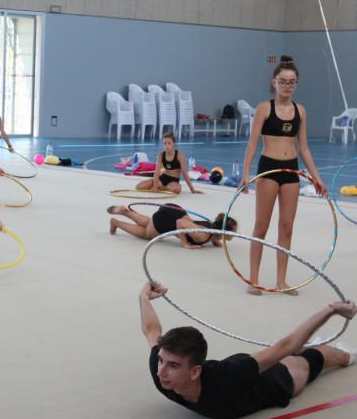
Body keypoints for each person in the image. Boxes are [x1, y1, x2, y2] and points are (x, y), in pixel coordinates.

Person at [139, 280, 357, 419]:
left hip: (276, 382)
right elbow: (151, 330)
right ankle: (308, 346)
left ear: (195, 371)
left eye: (173, 366)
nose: (161, 371)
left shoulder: (227, 377)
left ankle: (340, 354)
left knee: (310, 359)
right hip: (243, 372)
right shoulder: (161, 371)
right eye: (161, 361)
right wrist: (144, 297)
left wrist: (331, 310)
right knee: (287, 352)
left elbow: (285, 346)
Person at [240, 55, 325, 295]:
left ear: (296, 84)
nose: (287, 85)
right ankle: (253, 279)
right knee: (261, 227)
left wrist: (317, 177)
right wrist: (246, 174)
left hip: (291, 171)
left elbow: (304, 147)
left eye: (292, 81)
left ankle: (281, 280)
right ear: (274, 82)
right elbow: (252, 143)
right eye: (283, 81)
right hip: (269, 169)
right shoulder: (264, 108)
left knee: (287, 228)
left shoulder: (301, 111)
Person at [107, 204, 236, 249]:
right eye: (233, 232)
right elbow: (180, 223)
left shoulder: (211, 231)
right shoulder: (203, 235)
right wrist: (185, 244)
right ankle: (116, 223)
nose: (236, 233)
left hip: (173, 211)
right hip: (173, 218)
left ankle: (124, 211)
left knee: (149, 223)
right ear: (224, 232)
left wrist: (215, 241)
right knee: (146, 234)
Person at [135, 132, 203, 195]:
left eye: (169, 143)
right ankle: (160, 186)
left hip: (173, 181)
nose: (166, 145)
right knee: (139, 186)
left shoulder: (179, 155)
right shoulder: (161, 155)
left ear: (173, 144)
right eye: (164, 143)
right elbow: (157, 172)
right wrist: (155, 186)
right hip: (162, 179)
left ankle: (161, 187)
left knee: (176, 189)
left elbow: (185, 173)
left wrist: (192, 189)